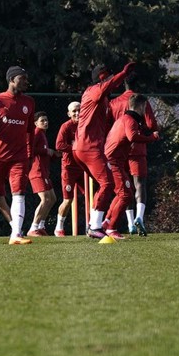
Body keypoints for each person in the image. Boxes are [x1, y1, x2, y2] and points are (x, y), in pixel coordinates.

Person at [73, 61, 136, 239]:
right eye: (108, 76)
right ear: (102, 78)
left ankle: (96, 224)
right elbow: (109, 83)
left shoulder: (101, 98)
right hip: (88, 147)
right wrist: (123, 74)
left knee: (106, 185)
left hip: (85, 147)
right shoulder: (94, 91)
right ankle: (95, 226)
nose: (111, 79)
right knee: (108, 183)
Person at [0, 66, 36, 245]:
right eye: (22, 78)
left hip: (19, 157)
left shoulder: (29, 102)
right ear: (11, 80)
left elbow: (31, 131)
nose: (26, 81)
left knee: (19, 193)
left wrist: (30, 153)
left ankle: (16, 234)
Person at [108, 72, 160, 236]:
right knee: (139, 184)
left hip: (119, 149)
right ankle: (139, 218)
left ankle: (129, 222)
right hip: (136, 147)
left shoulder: (114, 103)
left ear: (124, 85)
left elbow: (110, 125)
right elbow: (152, 124)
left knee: (124, 185)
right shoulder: (141, 102)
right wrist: (150, 134)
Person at [26, 112, 59, 237]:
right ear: (35, 123)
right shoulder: (36, 133)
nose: (45, 122)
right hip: (37, 172)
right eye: (42, 120)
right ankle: (33, 228)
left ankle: (40, 226)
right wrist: (46, 151)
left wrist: (55, 154)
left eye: (46, 120)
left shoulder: (42, 134)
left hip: (44, 172)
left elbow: (44, 153)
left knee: (53, 199)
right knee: (45, 199)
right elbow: (29, 149)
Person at [54, 101, 83, 237]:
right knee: (68, 199)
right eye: (74, 111)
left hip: (84, 166)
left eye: (79, 110)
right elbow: (59, 145)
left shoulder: (86, 125)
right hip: (69, 168)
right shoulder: (66, 127)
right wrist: (75, 148)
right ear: (69, 114)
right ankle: (59, 227)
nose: (77, 113)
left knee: (96, 194)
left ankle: (95, 224)